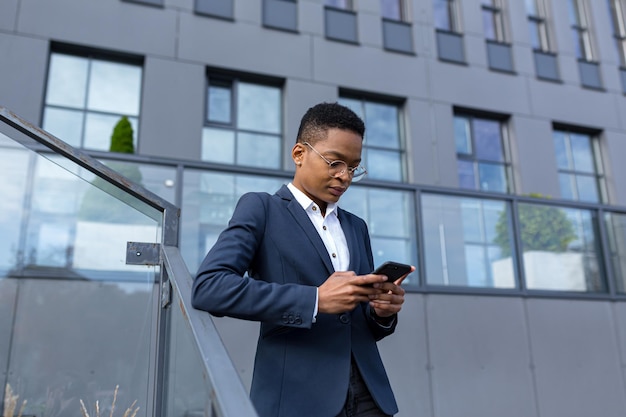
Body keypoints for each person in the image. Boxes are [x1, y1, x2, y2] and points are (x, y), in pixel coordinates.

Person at [192, 102, 414, 417]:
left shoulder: (356, 226)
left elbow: (360, 325)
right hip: (298, 398)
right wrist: (315, 299)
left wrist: (380, 313)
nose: (345, 176)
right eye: (335, 162)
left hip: (369, 397)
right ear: (299, 154)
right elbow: (210, 288)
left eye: (353, 167)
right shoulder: (261, 209)